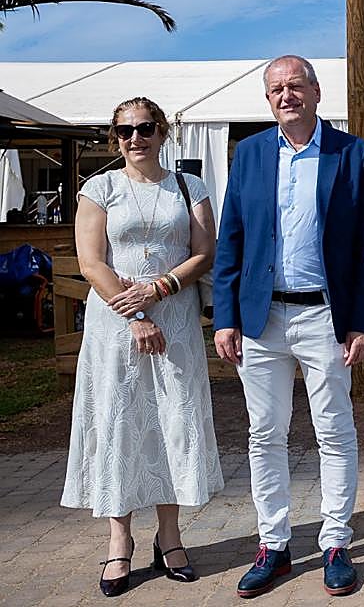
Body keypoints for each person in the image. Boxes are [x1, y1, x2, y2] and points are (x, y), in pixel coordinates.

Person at [212, 55, 364, 598]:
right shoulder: (249, 154)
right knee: (265, 434)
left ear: (315, 92)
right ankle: (275, 545)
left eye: (295, 86)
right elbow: (231, 239)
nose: (286, 96)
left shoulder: (351, 153)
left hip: (324, 317)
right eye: (275, 89)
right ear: (268, 99)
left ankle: (336, 542)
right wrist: (226, 316)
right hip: (261, 318)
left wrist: (362, 321)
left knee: (334, 431)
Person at [63, 96, 222, 597]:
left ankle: (170, 537)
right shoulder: (100, 187)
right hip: (115, 325)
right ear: (115, 137)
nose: (137, 138)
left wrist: (160, 289)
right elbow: (90, 262)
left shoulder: (188, 186)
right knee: (120, 423)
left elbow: (204, 253)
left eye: (147, 127)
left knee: (174, 421)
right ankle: (119, 541)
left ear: (163, 133)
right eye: (126, 130)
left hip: (173, 319)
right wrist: (134, 313)